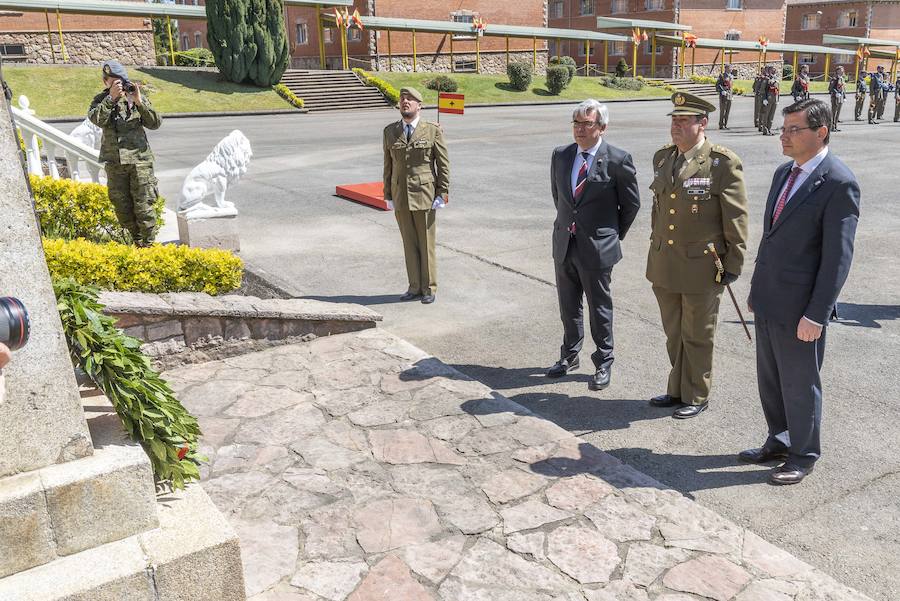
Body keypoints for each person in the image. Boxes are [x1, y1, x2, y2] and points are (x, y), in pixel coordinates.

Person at [743, 98, 859, 485]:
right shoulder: (784, 173)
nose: (785, 136)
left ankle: (803, 454)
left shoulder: (839, 182)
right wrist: (757, 289)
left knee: (799, 384)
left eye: (794, 130)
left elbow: (837, 259)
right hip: (770, 298)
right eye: (784, 129)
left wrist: (817, 314)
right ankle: (778, 439)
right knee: (770, 379)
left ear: (821, 132)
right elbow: (771, 237)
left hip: (801, 309)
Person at [646, 92, 749, 419]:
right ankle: (677, 389)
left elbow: (736, 217)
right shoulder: (663, 157)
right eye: (674, 120)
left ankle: (697, 395)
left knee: (698, 335)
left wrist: (733, 263)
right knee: (674, 333)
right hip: (665, 264)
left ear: (702, 123)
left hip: (702, 267)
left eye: (684, 121)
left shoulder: (721, 163)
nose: (676, 126)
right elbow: (658, 210)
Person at [547, 100, 640, 390]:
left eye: (586, 123)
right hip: (565, 243)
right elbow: (560, 198)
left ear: (602, 127)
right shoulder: (561, 155)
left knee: (599, 308)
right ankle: (569, 354)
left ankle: (604, 361)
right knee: (568, 305)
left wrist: (610, 235)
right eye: (576, 123)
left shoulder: (618, 159)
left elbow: (631, 205)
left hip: (598, 247)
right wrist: (569, 227)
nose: (579, 129)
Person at [382, 87, 450, 305]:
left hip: (425, 194)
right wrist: (388, 194)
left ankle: (429, 287)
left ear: (419, 105)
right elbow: (388, 164)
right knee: (409, 243)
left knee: (426, 242)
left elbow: (443, 164)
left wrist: (443, 192)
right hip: (401, 194)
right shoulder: (390, 131)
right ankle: (414, 286)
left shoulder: (432, 130)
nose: (405, 102)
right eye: (402, 99)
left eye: (410, 99)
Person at [88, 60, 161, 247]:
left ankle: (150, 246)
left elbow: (155, 122)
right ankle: (137, 243)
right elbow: (97, 119)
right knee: (122, 209)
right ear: (106, 82)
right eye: (111, 82)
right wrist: (111, 98)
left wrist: (139, 101)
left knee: (144, 207)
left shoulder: (136, 97)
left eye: (119, 81)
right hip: (114, 162)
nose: (117, 85)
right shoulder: (100, 100)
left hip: (139, 161)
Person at [761, 65, 780, 135]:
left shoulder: (776, 78)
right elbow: (763, 90)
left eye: (774, 70)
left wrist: (778, 99)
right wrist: (764, 99)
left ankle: (769, 129)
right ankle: (765, 130)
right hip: (768, 98)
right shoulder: (766, 79)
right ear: (769, 71)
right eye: (772, 70)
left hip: (774, 98)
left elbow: (778, 89)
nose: (774, 71)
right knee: (766, 114)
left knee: (771, 115)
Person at [828, 66, 846, 131]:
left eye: (843, 70)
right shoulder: (834, 78)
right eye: (841, 70)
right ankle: (831, 126)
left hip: (840, 97)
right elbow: (830, 88)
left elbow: (843, 89)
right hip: (835, 97)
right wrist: (836, 93)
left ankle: (835, 126)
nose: (842, 71)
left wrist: (844, 96)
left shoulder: (842, 78)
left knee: (838, 113)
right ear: (837, 71)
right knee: (834, 112)